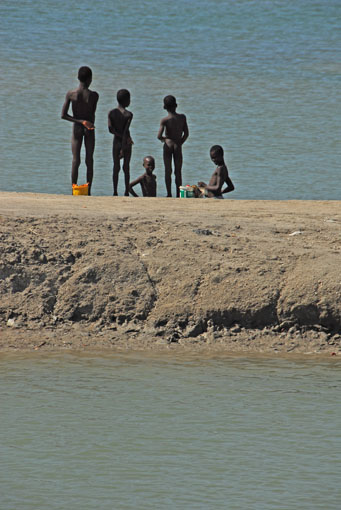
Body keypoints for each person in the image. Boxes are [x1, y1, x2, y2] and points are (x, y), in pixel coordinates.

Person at [61, 66, 99, 195]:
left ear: (78, 78)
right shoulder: (94, 96)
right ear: (90, 79)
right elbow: (92, 114)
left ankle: (74, 189)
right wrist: (85, 122)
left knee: (75, 159)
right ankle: (88, 191)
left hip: (77, 127)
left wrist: (79, 121)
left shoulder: (71, 94)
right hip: (89, 128)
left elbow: (64, 115)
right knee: (89, 159)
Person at [157, 95, 189, 197]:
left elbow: (158, 136)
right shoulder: (182, 117)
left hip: (168, 145)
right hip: (177, 145)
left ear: (164, 107)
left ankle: (169, 194)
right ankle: (178, 194)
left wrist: (164, 139)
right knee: (178, 171)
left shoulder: (165, 120)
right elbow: (186, 134)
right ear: (176, 105)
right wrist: (180, 143)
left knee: (168, 170)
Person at [108, 89, 133, 196]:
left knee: (116, 167)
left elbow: (110, 129)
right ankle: (126, 191)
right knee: (126, 167)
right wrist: (124, 145)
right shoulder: (129, 114)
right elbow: (125, 130)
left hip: (116, 142)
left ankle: (115, 191)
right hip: (126, 143)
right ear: (127, 100)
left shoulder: (111, 113)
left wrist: (119, 136)